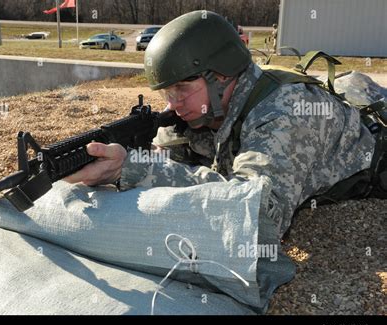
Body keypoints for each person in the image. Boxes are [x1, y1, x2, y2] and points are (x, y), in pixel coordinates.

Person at [63, 10, 386, 239]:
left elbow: (260, 218)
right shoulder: (201, 110)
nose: (172, 104)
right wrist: (145, 157)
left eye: (181, 89)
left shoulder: (284, 113)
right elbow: (180, 159)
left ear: (220, 76)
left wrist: (134, 169)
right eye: (167, 92)